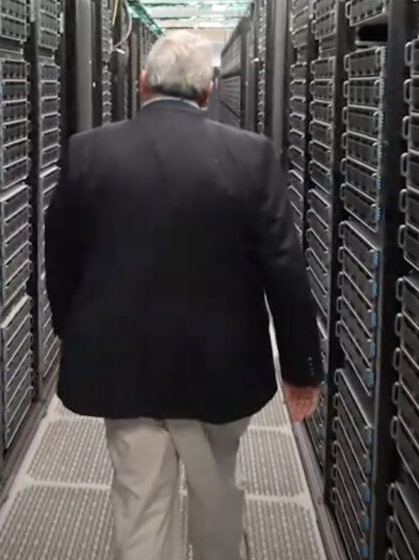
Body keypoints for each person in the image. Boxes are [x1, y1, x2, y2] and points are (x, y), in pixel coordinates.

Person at [45, 30, 324, 560]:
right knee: (217, 488)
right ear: (208, 90)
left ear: (142, 82)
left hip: (121, 363)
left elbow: (61, 254)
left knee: (140, 497)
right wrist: (301, 368)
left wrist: (70, 332)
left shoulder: (89, 152)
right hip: (221, 367)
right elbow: (284, 267)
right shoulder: (250, 156)